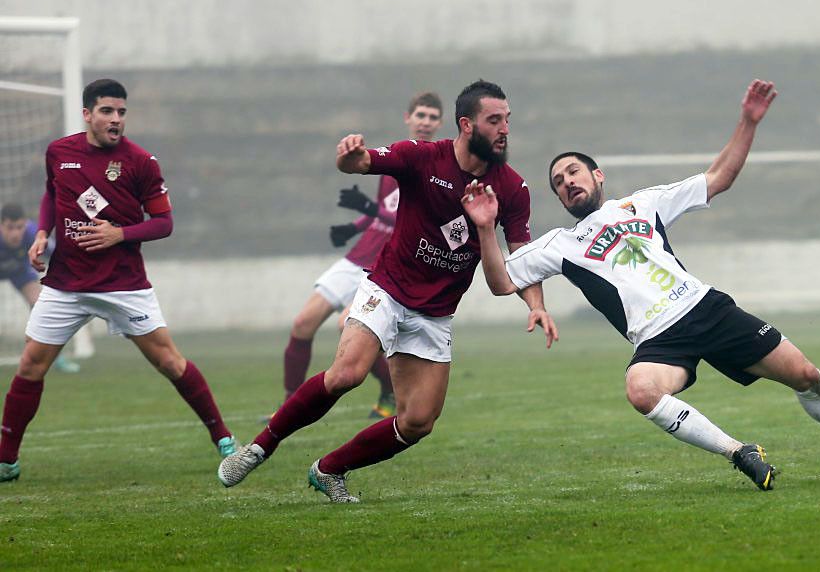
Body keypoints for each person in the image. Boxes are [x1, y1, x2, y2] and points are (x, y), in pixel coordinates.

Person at [460, 80, 820, 491]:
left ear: (598, 176)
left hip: (705, 309)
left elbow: (719, 178)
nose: (567, 182)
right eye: (559, 183)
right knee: (640, 389)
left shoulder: (642, 204)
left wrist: (748, 122)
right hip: (658, 339)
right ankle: (740, 452)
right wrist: (484, 229)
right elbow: (501, 282)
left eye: (574, 171)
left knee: (807, 376)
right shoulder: (560, 244)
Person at [218, 79, 556, 502]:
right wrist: (350, 156)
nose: (505, 128)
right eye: (494, 120)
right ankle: (258, 449)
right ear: (467, 125)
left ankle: (330, 469)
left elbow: (522, 258)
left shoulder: (511, 188)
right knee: (347, 374)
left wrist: (536, 304)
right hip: (388, 288)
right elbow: (359, 164)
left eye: (507, 119)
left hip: (436, 312)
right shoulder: (421, 157)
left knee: (418, 421)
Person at [0, 79, 236, 483]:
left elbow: (164, 223)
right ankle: (7, 459)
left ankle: (225, 439)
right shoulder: (60, 152)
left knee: (169, 361)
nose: (116, 120)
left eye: (122, 112)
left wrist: (119, 234)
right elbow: (50, 194)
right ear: (87, 114)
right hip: (66, 283)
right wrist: (41, 234)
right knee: (31, 365)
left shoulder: (141, 163)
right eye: (107, 111)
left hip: (122, 284)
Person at [272, 92, 444, 421]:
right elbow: (386, 213)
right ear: (407, 118)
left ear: (439, 123)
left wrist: (367, 208)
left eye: (432, 117)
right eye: (420, 115)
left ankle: (390, 392)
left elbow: (411, 220)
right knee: (303, 323)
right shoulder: (393, 157)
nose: (425, 121)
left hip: (385, 267)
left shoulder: (435, 166)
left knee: (344, 325)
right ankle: (288, 403)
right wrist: (355, 226)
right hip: (357, 256)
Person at [1, 203, 95, 373]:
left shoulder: (32, 233)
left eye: (19, 227)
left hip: (19, 271)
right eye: (10, 228)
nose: (15, 233)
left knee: (40, 305)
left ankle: (55, 359)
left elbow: (59, 254)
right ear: (1, 225)